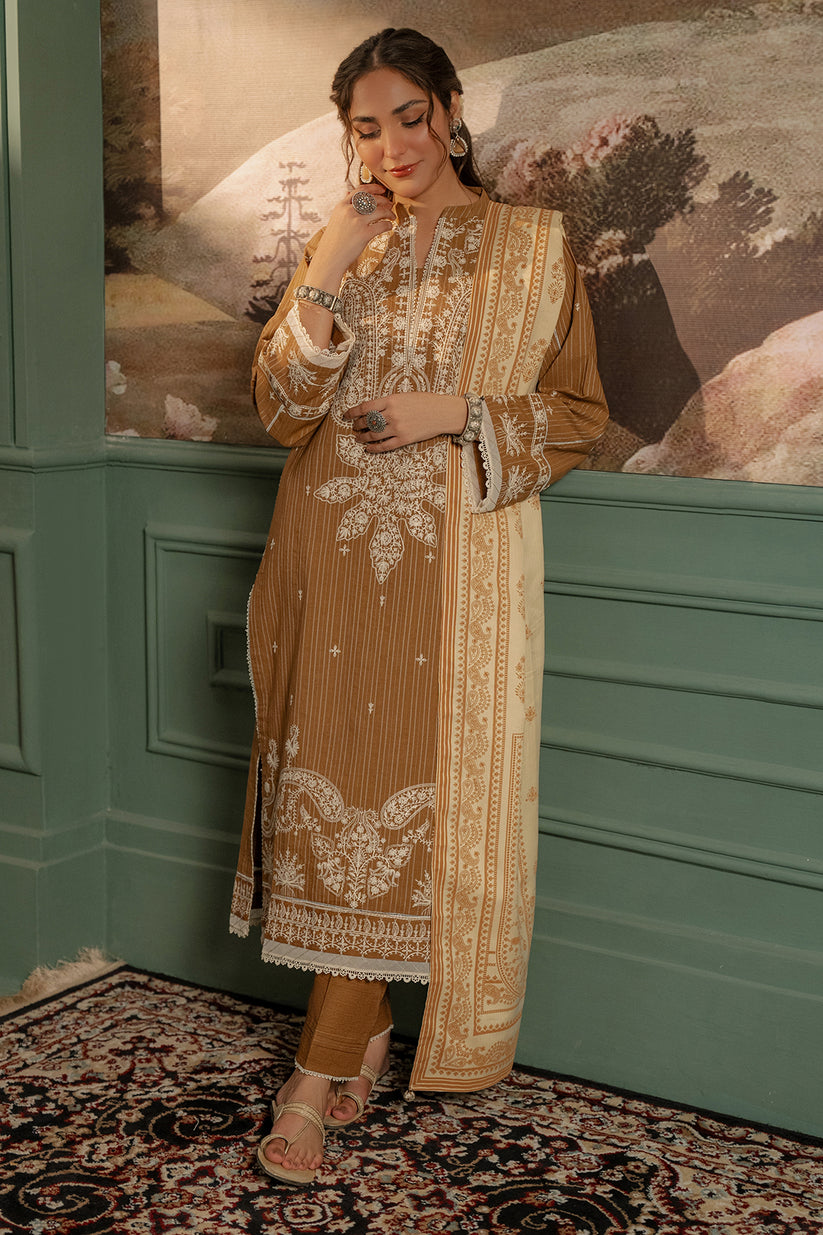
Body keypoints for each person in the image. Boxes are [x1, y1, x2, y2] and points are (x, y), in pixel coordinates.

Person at [229, 27, 608, 1186]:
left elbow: (579, 414)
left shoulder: (532, 245)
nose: (390, 145)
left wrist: (457, 409)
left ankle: (315, 1071)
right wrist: (332, 263)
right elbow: (282, 409)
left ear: (450, 109)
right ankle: (366, 1029)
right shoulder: (338, 240)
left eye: (407, 115)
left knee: (409, 814)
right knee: (334, 812)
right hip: (327, 562)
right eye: (364, 126)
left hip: (453, 575)